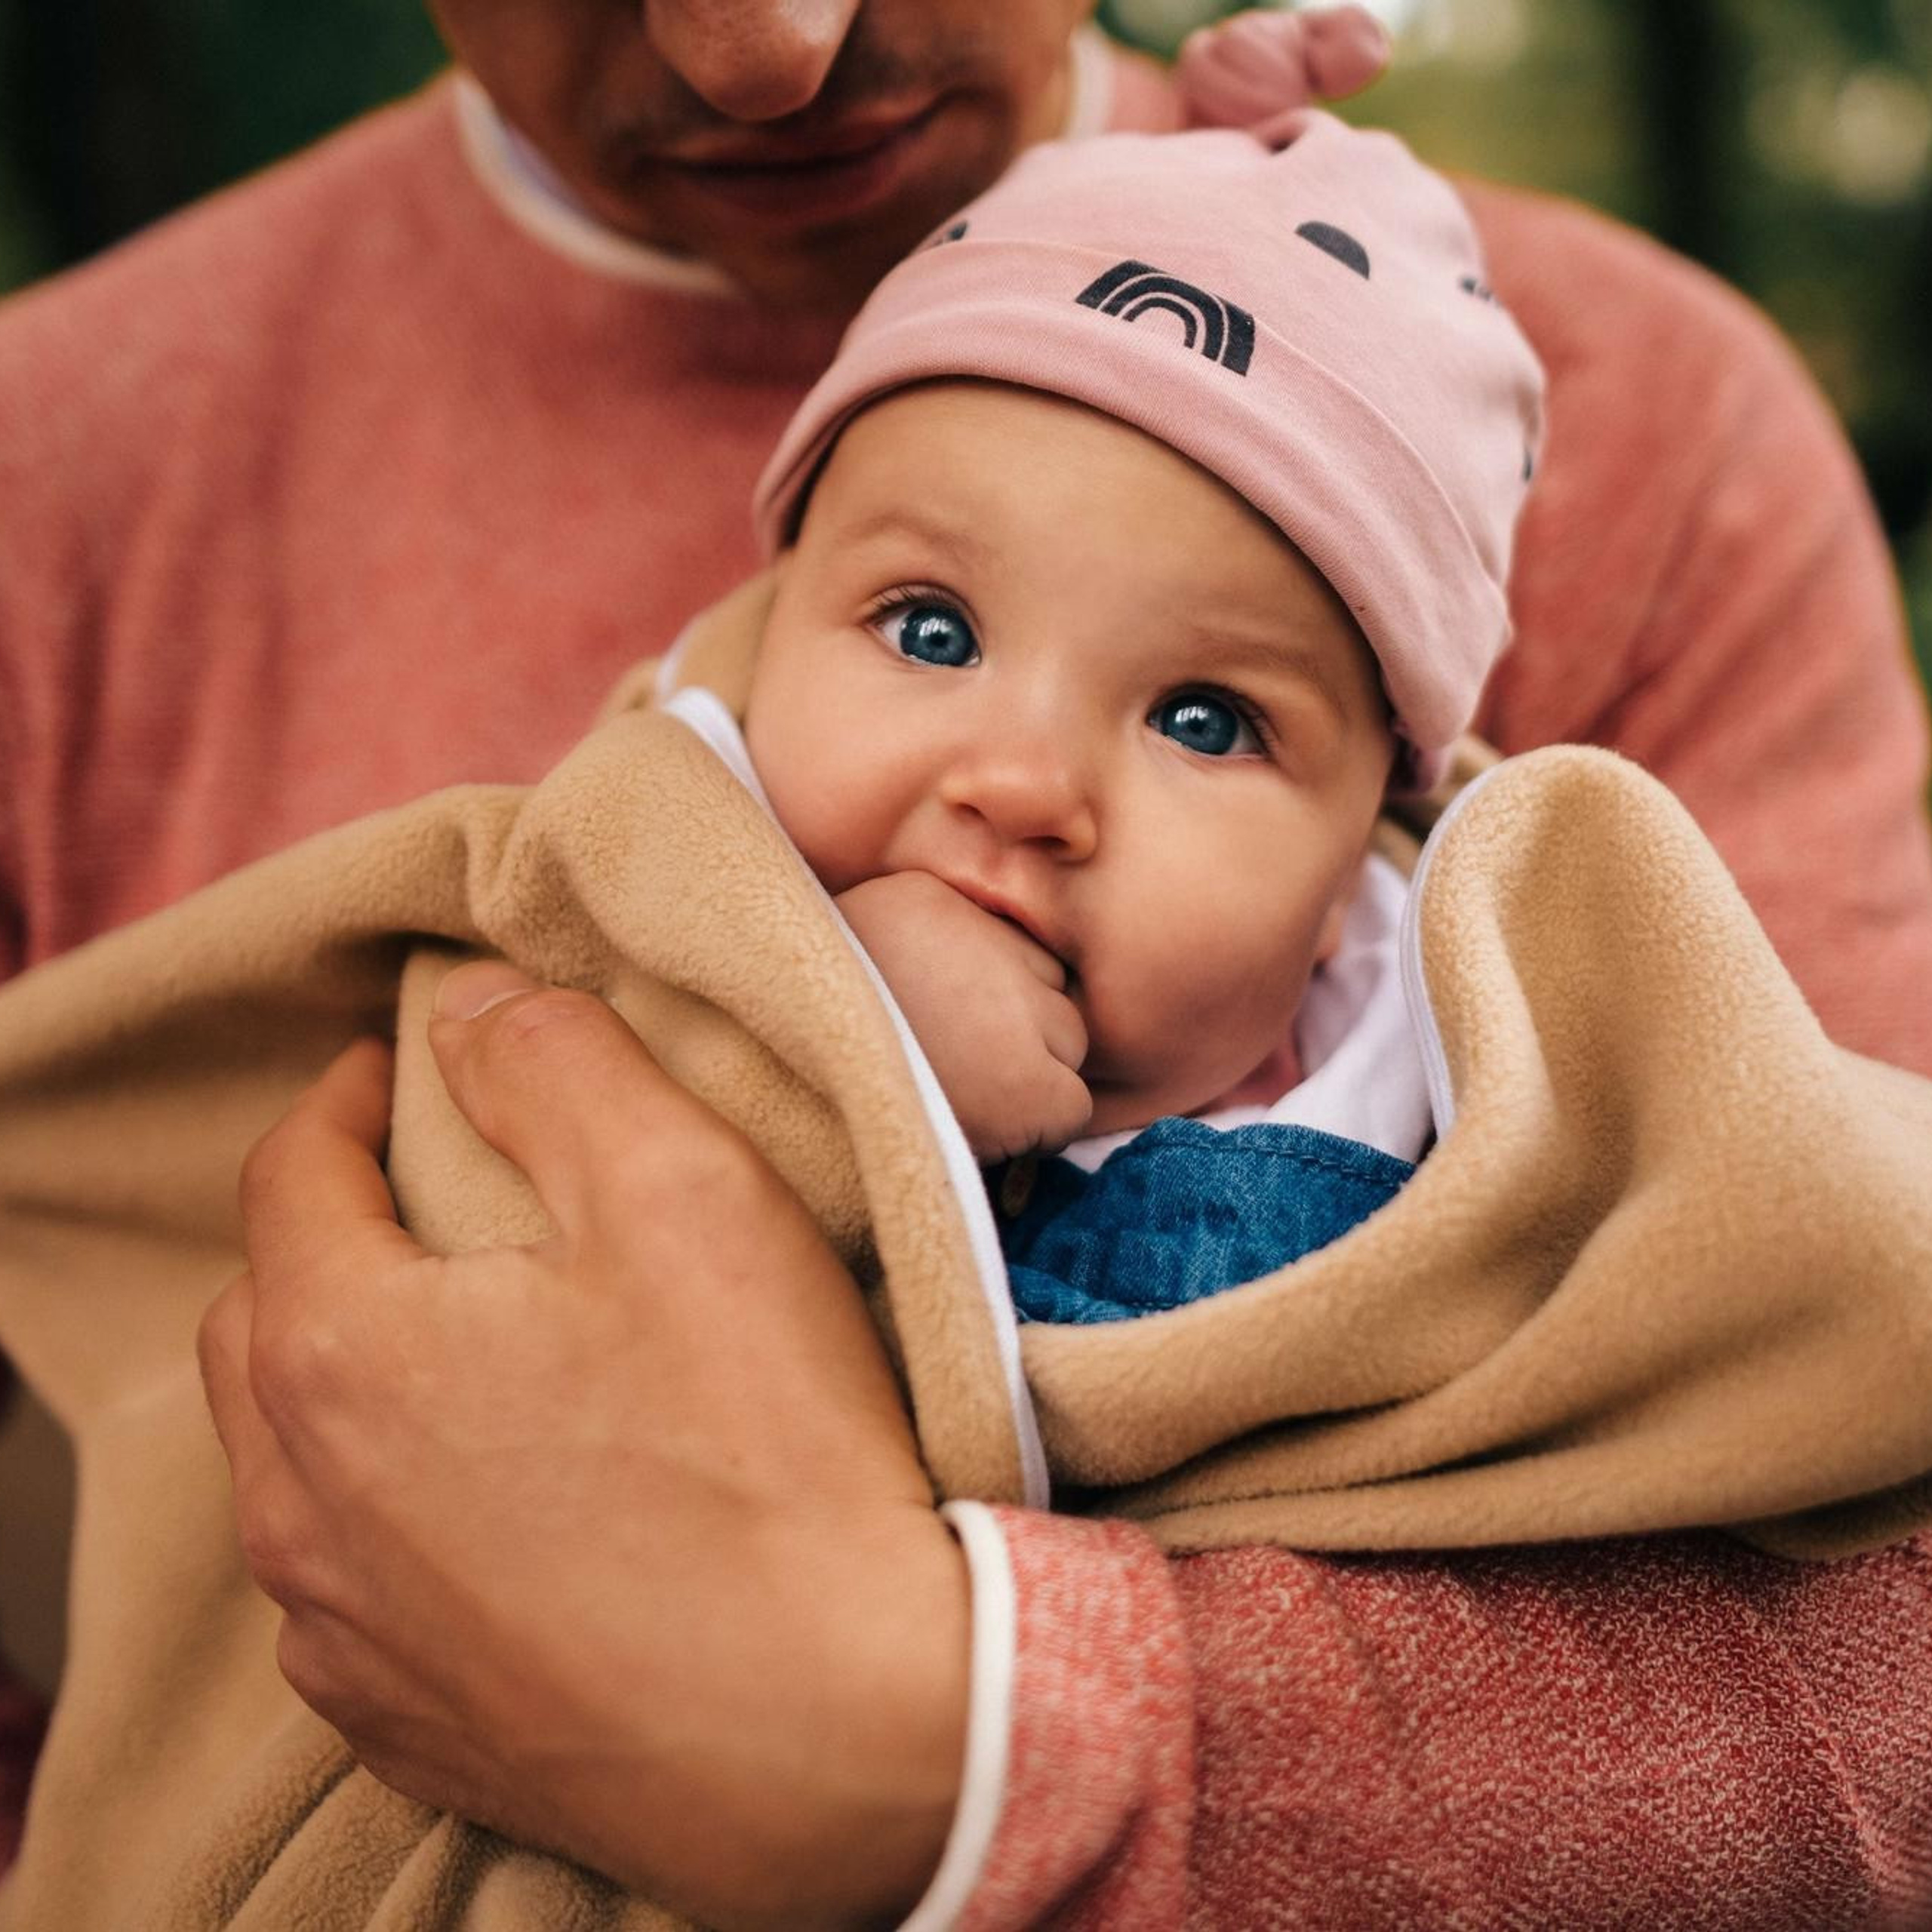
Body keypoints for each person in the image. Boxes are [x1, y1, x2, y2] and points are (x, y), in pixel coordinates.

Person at [4, 3, 1931, 1925]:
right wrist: (810, 1041)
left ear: (1366, 838)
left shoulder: (1581, 679)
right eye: (924, 627)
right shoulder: (61, 481)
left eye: (1201, 718)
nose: (759, 47)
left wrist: (932, 1735)